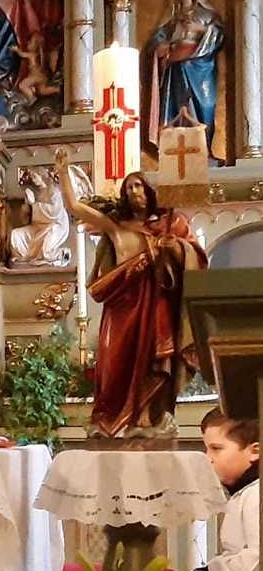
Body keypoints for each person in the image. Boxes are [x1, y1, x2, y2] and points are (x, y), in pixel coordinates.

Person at [57, 151, 207, 436]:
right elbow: (75, 207)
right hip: (122, 305)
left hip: (154, 301)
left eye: (138, 185)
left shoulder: (167, 226)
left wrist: (174, 248)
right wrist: (63, 173)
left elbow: (193, 256)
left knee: (153, 359)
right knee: (115, 363)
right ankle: (110, 419)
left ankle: (147, 420)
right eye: (128, 188)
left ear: (149, 190)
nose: (133, 191)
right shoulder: (116, 226)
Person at [164, 410, 258, 571]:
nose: (208, 458)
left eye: (217, 449)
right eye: (207, 449)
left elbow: (257, 560)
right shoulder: (246, 492)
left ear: (254, 451)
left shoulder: (256, 495)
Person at [145, 0, 224, 159]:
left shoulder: (206, 14)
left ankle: (205, 149)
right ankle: (175, 151)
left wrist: (201, 29)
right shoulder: (174, 18)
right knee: (179, 107)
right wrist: (161, 46)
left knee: (205, 105)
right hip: (177, 68)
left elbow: (219, 35)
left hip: (201, 67)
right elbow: (157, 38)